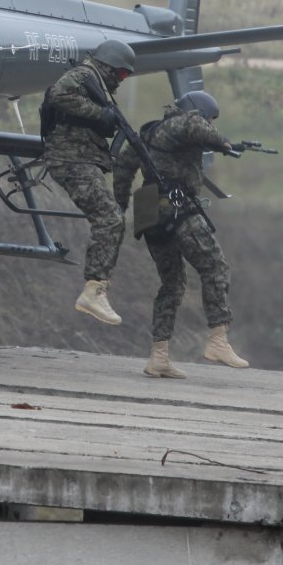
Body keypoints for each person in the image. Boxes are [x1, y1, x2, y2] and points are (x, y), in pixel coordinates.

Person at [112, 90, 249, 377]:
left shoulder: (147, 133)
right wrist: (222, 142)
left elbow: (123, 168)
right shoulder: (182, 124)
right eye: (209, 120)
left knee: (172, 284)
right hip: (175, 204)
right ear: (197, 113)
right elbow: (193, 125)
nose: (208, 125)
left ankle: (158, 357)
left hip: (149, 208)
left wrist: (122, 204)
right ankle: (218, 340)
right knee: (215, 266)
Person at [40, 40, 136, 326]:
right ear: (108, 64)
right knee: (109, 219)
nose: (120, 81)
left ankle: (97, 288)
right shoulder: (85, 75)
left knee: (114, 219)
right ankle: (94, 290)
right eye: (120, 74)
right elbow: (59, 95)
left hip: (79, 159)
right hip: (71, 159)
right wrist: (101, 113)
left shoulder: (97, 84)